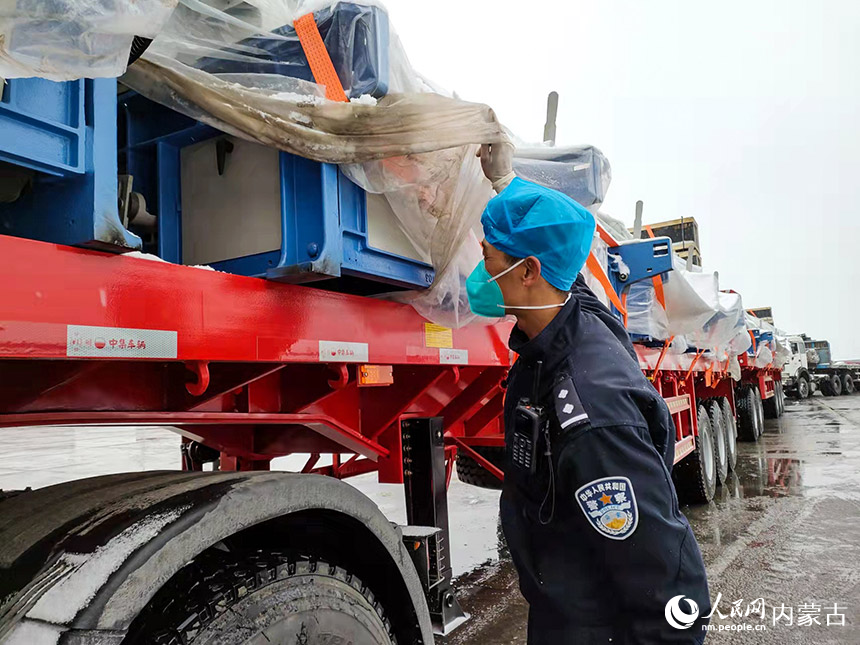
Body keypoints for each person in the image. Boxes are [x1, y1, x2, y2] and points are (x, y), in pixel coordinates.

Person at [467, 143, 711, 643]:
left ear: (529, 271)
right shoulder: (569, 311)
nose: (481, 272)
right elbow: (559, 243)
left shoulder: (592, 417)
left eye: (488, 257)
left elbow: (664, 583)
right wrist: (504, 182)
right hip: (565, 606)